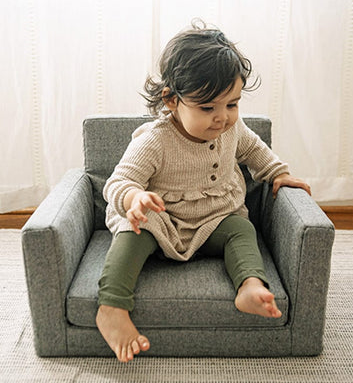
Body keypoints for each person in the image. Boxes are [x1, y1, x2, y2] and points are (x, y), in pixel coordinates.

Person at [96, 20, 311, 363]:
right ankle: (112, 306)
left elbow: (255, 151)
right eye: (208, 108)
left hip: (213, 218)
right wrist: (135, 198)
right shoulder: (155, 141)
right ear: (172, 100)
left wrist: (278, 174)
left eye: (232, 104)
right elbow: (118, 183)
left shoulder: (232, 129)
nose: (222, 118)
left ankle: (250, 285)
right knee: (132, 232)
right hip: (161, 220)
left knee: (241, 229)